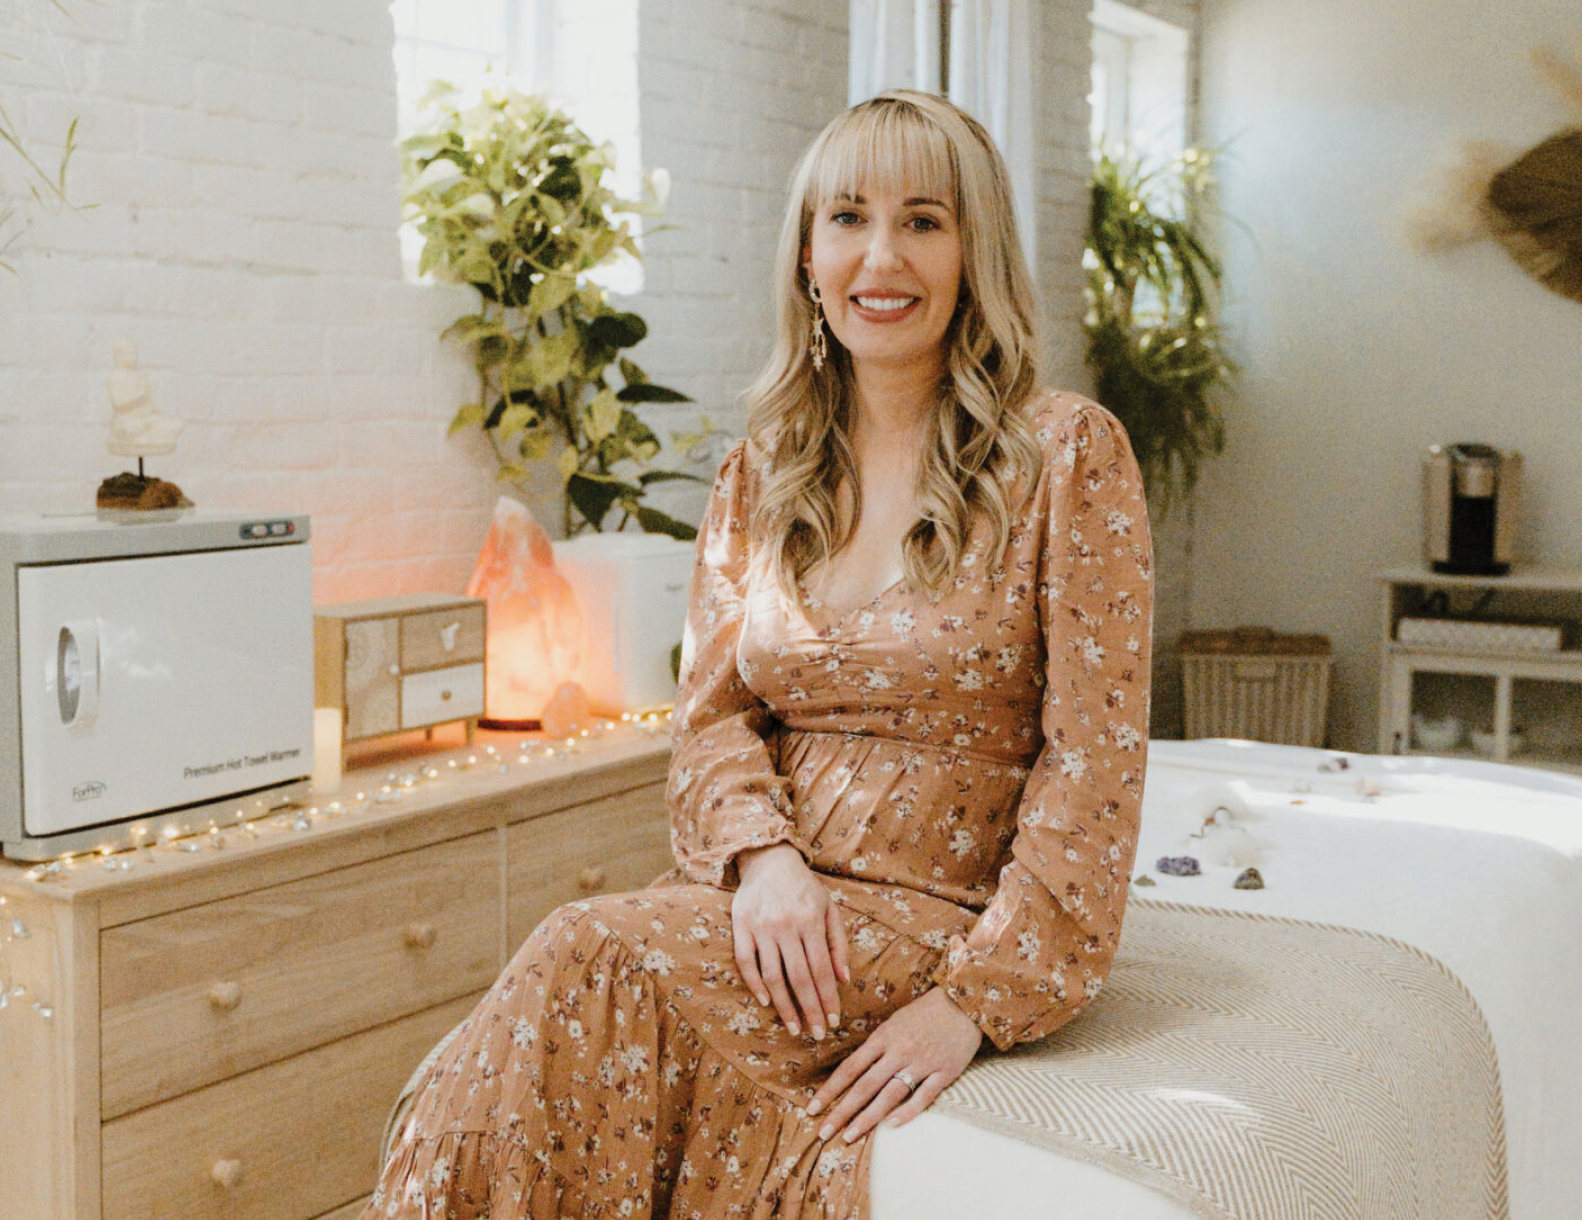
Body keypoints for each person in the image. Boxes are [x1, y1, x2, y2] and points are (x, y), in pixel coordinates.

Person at [364, 90, 1153, 1220]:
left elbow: (1094, 762)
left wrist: (973, 1002)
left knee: (587, 951)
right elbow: (714, 717)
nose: (882, 257)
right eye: (849, 218)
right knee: (527, 1028)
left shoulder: (1066, 455)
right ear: (807, 256)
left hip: (933, 915)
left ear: (975, 251)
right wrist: (763, 862)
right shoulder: (765, 469)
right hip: (768, 908)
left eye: (924, 221)